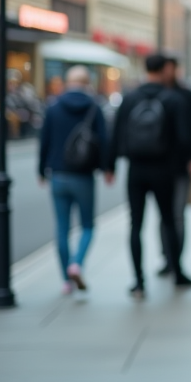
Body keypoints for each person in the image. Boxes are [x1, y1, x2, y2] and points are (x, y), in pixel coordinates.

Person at [113, 54, 191, 298]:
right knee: (170, 220)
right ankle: (177, 272)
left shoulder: (129, 98)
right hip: (164, 170)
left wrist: (110, 165)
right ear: (164, 70)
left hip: (136, 170)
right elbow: (185, 138)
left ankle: (138, 282)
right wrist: (186, 162)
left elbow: (117, 133)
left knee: (135, 224)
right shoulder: (173, 99)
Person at [37, 66, 113, 294]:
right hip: (83, 175)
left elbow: (45, 141)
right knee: (87, 225)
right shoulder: (94, 107)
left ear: (67, 83)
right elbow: (104, 140)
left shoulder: (53, 107)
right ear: (87, 83)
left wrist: (41, 170)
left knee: (62, 227)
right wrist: (108, 168)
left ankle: (65, 280)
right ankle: (76, 263)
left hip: (58, 174)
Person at [157, 56, 191, 277]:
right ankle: (168, 258)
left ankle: (176, 261)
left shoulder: (186, 96)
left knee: (176, 215)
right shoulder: (154, 94)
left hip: (180, 165)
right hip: (158, 165)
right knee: (165, 216)